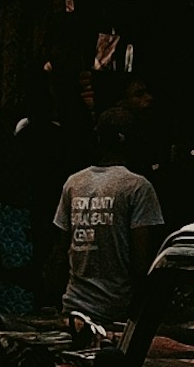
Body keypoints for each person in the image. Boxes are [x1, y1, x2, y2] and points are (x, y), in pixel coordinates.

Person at [52, 112, 166, 336]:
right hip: (115, 311)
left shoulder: (74, 183)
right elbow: (141, 260)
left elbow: (61, 250)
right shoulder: (137, 186)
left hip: (74, 308)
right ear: (126, 139)